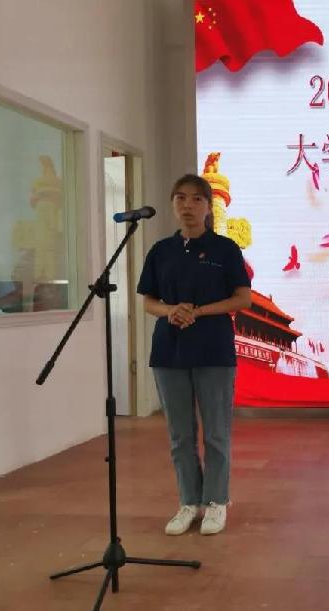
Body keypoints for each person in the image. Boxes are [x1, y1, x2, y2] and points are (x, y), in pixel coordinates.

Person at [137, 174, 251, 536]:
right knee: (180, 435)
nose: (188, 205)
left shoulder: (225, 250)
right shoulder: (160, 251)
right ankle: (189, 502)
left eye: (196, 199)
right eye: (180, 198)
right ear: (173, 204)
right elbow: (149, 301)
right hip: (168, 351)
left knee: (216, 433)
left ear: (207, 206)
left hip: (213, 349)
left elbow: (242, 298)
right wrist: (170, 310)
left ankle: (216, 500)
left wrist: (198, 312)